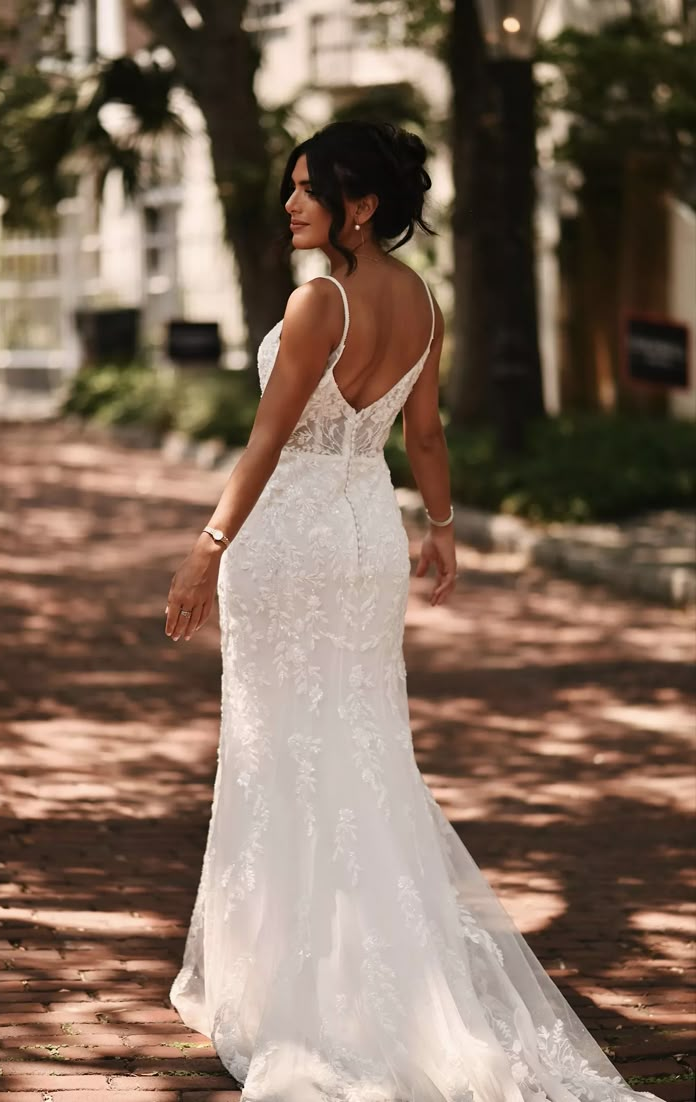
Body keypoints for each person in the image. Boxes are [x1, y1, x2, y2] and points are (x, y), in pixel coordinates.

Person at [165, 121, 660, 1102]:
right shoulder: (422, 301)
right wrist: (440, 527)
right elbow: (422, 431)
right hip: (363, 537)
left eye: (310, 190)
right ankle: (376, 975)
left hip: (291, 538)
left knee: (280, 747)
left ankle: (307, 994)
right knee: (359, 744)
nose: (291, 204)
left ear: (361, 206)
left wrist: (202, 550)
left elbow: (265, 442)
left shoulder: (319, 303)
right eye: (291, 187)